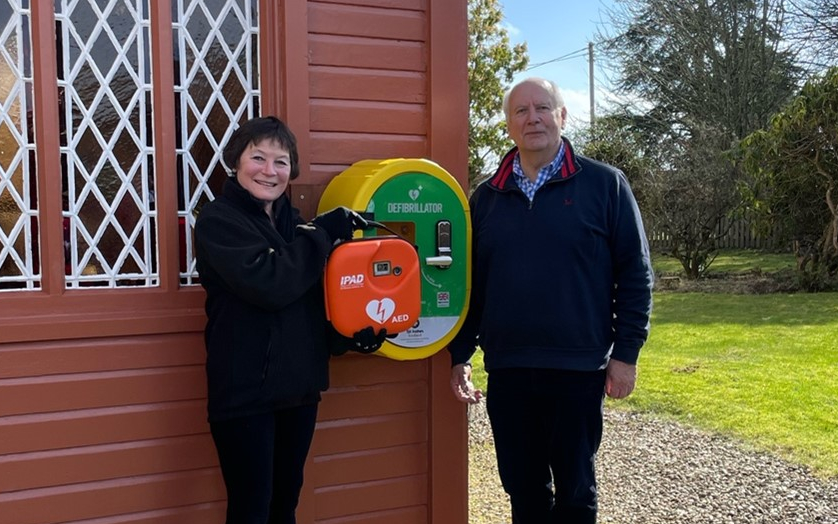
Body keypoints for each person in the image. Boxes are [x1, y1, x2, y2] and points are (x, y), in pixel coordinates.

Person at [448, 78, 654, 524]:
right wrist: (461, 354)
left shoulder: (605, 186)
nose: (532, 118)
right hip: (509, 369)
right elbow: (472, 287)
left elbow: (635, 276)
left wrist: (627, 354)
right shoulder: (485, 198)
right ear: (508, 125)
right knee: (523, 490)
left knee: (576, 493)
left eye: (543, 108)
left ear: (562, 116)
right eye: (520, 111)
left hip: (577, 369)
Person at [194, 116, 387, 524]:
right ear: (236, 162)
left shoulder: (294, 223)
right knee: (251, 510)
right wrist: (321, 234)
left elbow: (310, 302)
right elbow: (270, 284)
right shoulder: (218, 221)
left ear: (291, 170)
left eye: (281, 161)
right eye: (258, 157)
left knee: (284, 507)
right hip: (245, 395)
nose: (269, 170)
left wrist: (349, 335)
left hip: (298, 390)